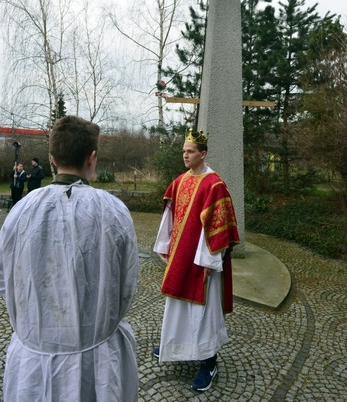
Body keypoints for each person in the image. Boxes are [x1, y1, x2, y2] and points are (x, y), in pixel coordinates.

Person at [0, 115, 139, 402]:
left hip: (33, 366)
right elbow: (127, 286)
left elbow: (6, 282)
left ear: (52, 158)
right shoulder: (114, 212)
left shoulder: (19, 212)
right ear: (92, 157)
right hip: (97, 367)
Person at [153, 128, 240, 392]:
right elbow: (170, 218)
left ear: (203, 154)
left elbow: (219, 227)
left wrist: (209, 263)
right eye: (183, 151)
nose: (185, 156)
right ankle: (176, 344)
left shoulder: (215, 185)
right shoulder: (179, 181)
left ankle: (208, 362)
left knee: (204, 313)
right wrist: (167, 248)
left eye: (190, 152)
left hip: (204, 264)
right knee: (177, 307)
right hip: (181, 258)